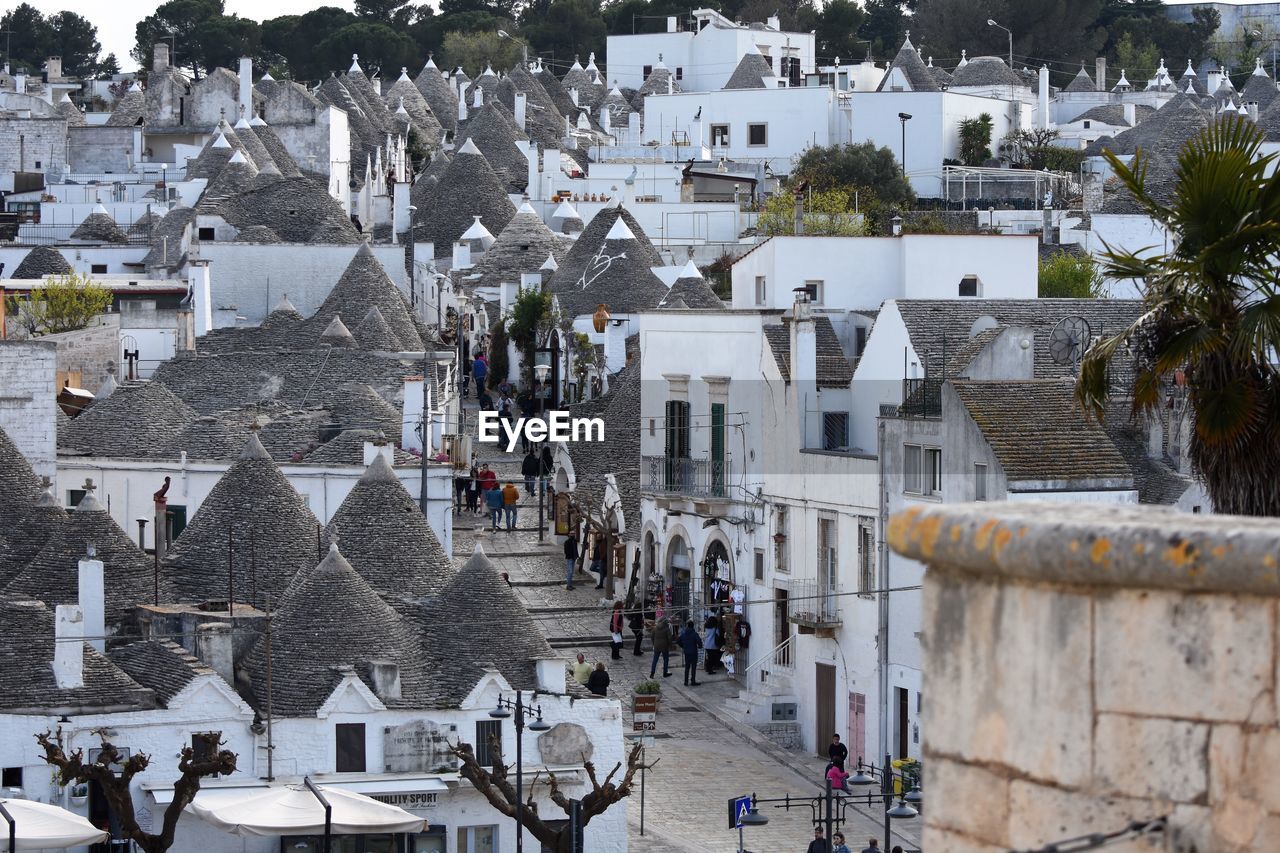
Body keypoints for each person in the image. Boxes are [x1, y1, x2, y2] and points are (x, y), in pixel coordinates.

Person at [678, 620, 701, 686]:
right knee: (693, 667)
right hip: (693, 652)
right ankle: (692, 681)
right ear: (693, 626)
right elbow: (699, 641)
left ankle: (686, 681)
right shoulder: (694, 634)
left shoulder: (684, 633)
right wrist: (700, 646)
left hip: (687, 652)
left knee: (687, 667)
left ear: (687, 626)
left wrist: (683, 646)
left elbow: (678, 640)